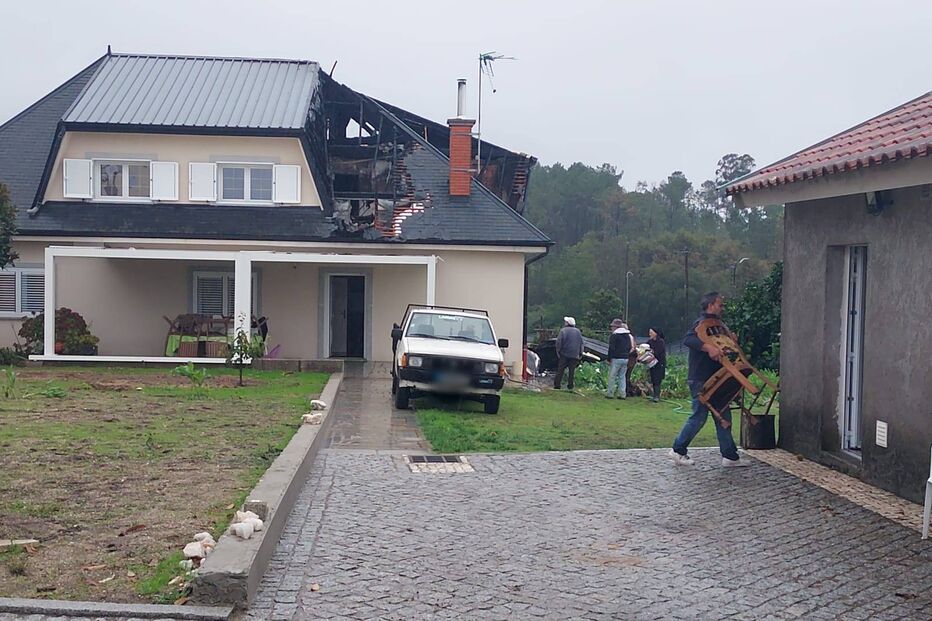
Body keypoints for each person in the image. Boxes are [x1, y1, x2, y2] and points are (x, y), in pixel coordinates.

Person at [669, 292, 749, 468]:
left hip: (718, 378)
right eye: (720, 304)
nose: (723, 308)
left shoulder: (719, 326)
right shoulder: (701, 323)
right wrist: (708, 347)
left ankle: (730, 456)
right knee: (699, 416)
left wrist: (730, 341)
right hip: (701, 378)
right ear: (711, 305)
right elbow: (688, 339)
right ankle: (678, 450)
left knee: (723, 415)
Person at [605, 319, 635, 399]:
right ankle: (622, 394)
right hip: (625, 358)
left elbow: (611, 348)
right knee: (622, 376)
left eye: (612, 326)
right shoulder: (627, 336)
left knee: (612, 376)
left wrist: (609, 359)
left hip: (616, 358)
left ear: (616, 327)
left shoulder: (614, 336)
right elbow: (629, 347)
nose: (611, 328)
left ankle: (610, 393)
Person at [554, 316, 583, 390]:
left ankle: (557, 385)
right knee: (572, 371)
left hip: (564, 353)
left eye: (566, 322)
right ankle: (570, 385)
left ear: (567, 323)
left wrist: (558, 351)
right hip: (575, 354)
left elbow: (559, 342)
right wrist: (580, 353)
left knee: (560, 370)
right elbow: (581, 343)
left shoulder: (563, 331)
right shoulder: (578, 332)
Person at [647, 327, 666, 402]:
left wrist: (651, 352)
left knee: (657, 379)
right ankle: (654, 395)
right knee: (653, 378)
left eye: (651, 332)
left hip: (659, 363)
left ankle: (657, 396)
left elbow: (658, 352)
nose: (650, 334)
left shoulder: (661, 342)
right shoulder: (650, 342)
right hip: (652, 364)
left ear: (656, 333)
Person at [623, 322, 638, 396]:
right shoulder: (630, 337)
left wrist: (625, 354)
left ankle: (628, 391)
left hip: (630, 359)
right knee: (626, 375)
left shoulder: (629, 337)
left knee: (626, 375)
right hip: (630, 359)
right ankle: (628, 391)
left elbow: (632, 348)